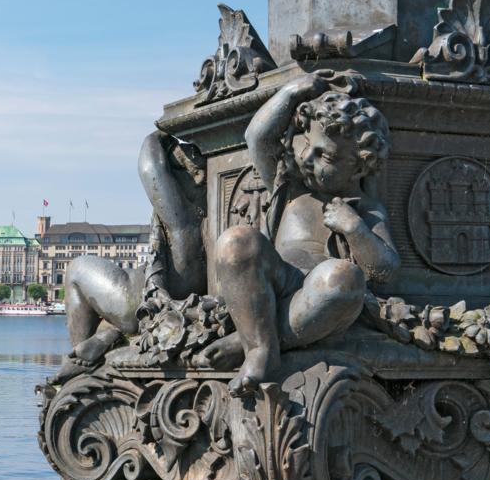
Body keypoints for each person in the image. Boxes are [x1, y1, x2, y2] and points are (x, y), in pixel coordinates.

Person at [205, 70, 398, 393]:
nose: (307, 157)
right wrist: (291, 93)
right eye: (307, 143)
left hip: (318, 298)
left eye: (325, 155)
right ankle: (260, 351)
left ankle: (251, 338)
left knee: (343, 279)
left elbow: (386, 270)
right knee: (235, 241)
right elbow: (258, 139)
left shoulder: (366, 209)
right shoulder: (291, 187)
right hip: (275, 279)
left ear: (361, 165)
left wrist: (355, 228)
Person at [53, 132, 207, 382]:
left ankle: (81, 360)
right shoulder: (206, 218)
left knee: (76, 269)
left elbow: (148, 167)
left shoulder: (183, 219)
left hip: (137, 299)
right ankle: (107, 336)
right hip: (155, 292)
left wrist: (161, 136)